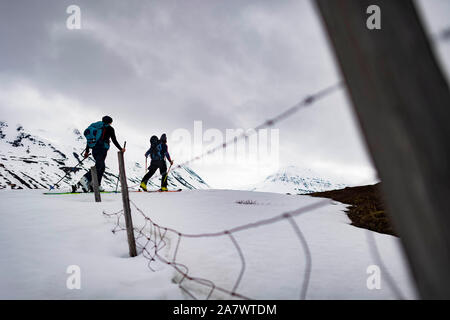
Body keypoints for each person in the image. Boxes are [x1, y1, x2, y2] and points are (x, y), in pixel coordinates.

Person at [73, 116, 125, 192]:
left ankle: (96, 185)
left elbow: (90, 140)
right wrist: (121, 149)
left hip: (94, 150)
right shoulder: (110, 128)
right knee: (99, 166)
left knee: (102, 167)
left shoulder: (97, 128)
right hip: (102, 150)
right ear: (110, 122)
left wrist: (87, 151)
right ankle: (84, 180)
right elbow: (114, 140)